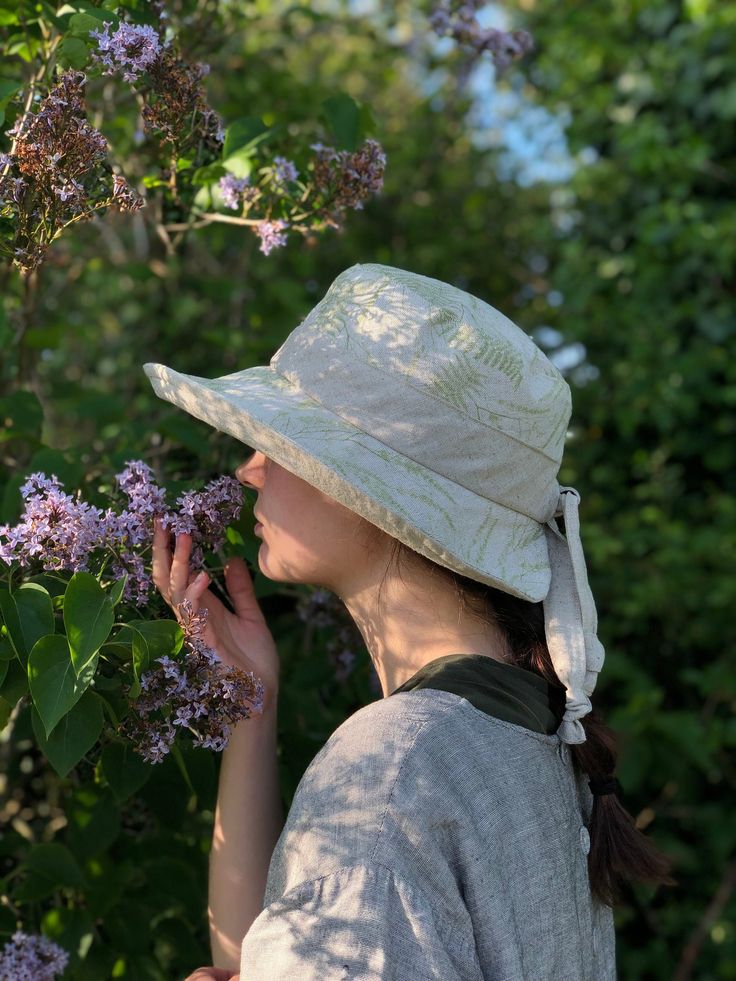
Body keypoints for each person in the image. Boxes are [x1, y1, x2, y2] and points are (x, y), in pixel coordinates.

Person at [146, 264, 675, 980]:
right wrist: (251, 703)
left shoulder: (392, 768)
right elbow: (269, 954)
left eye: (285, 441)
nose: (249, 469)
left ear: (367, 491)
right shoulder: (537, 736)